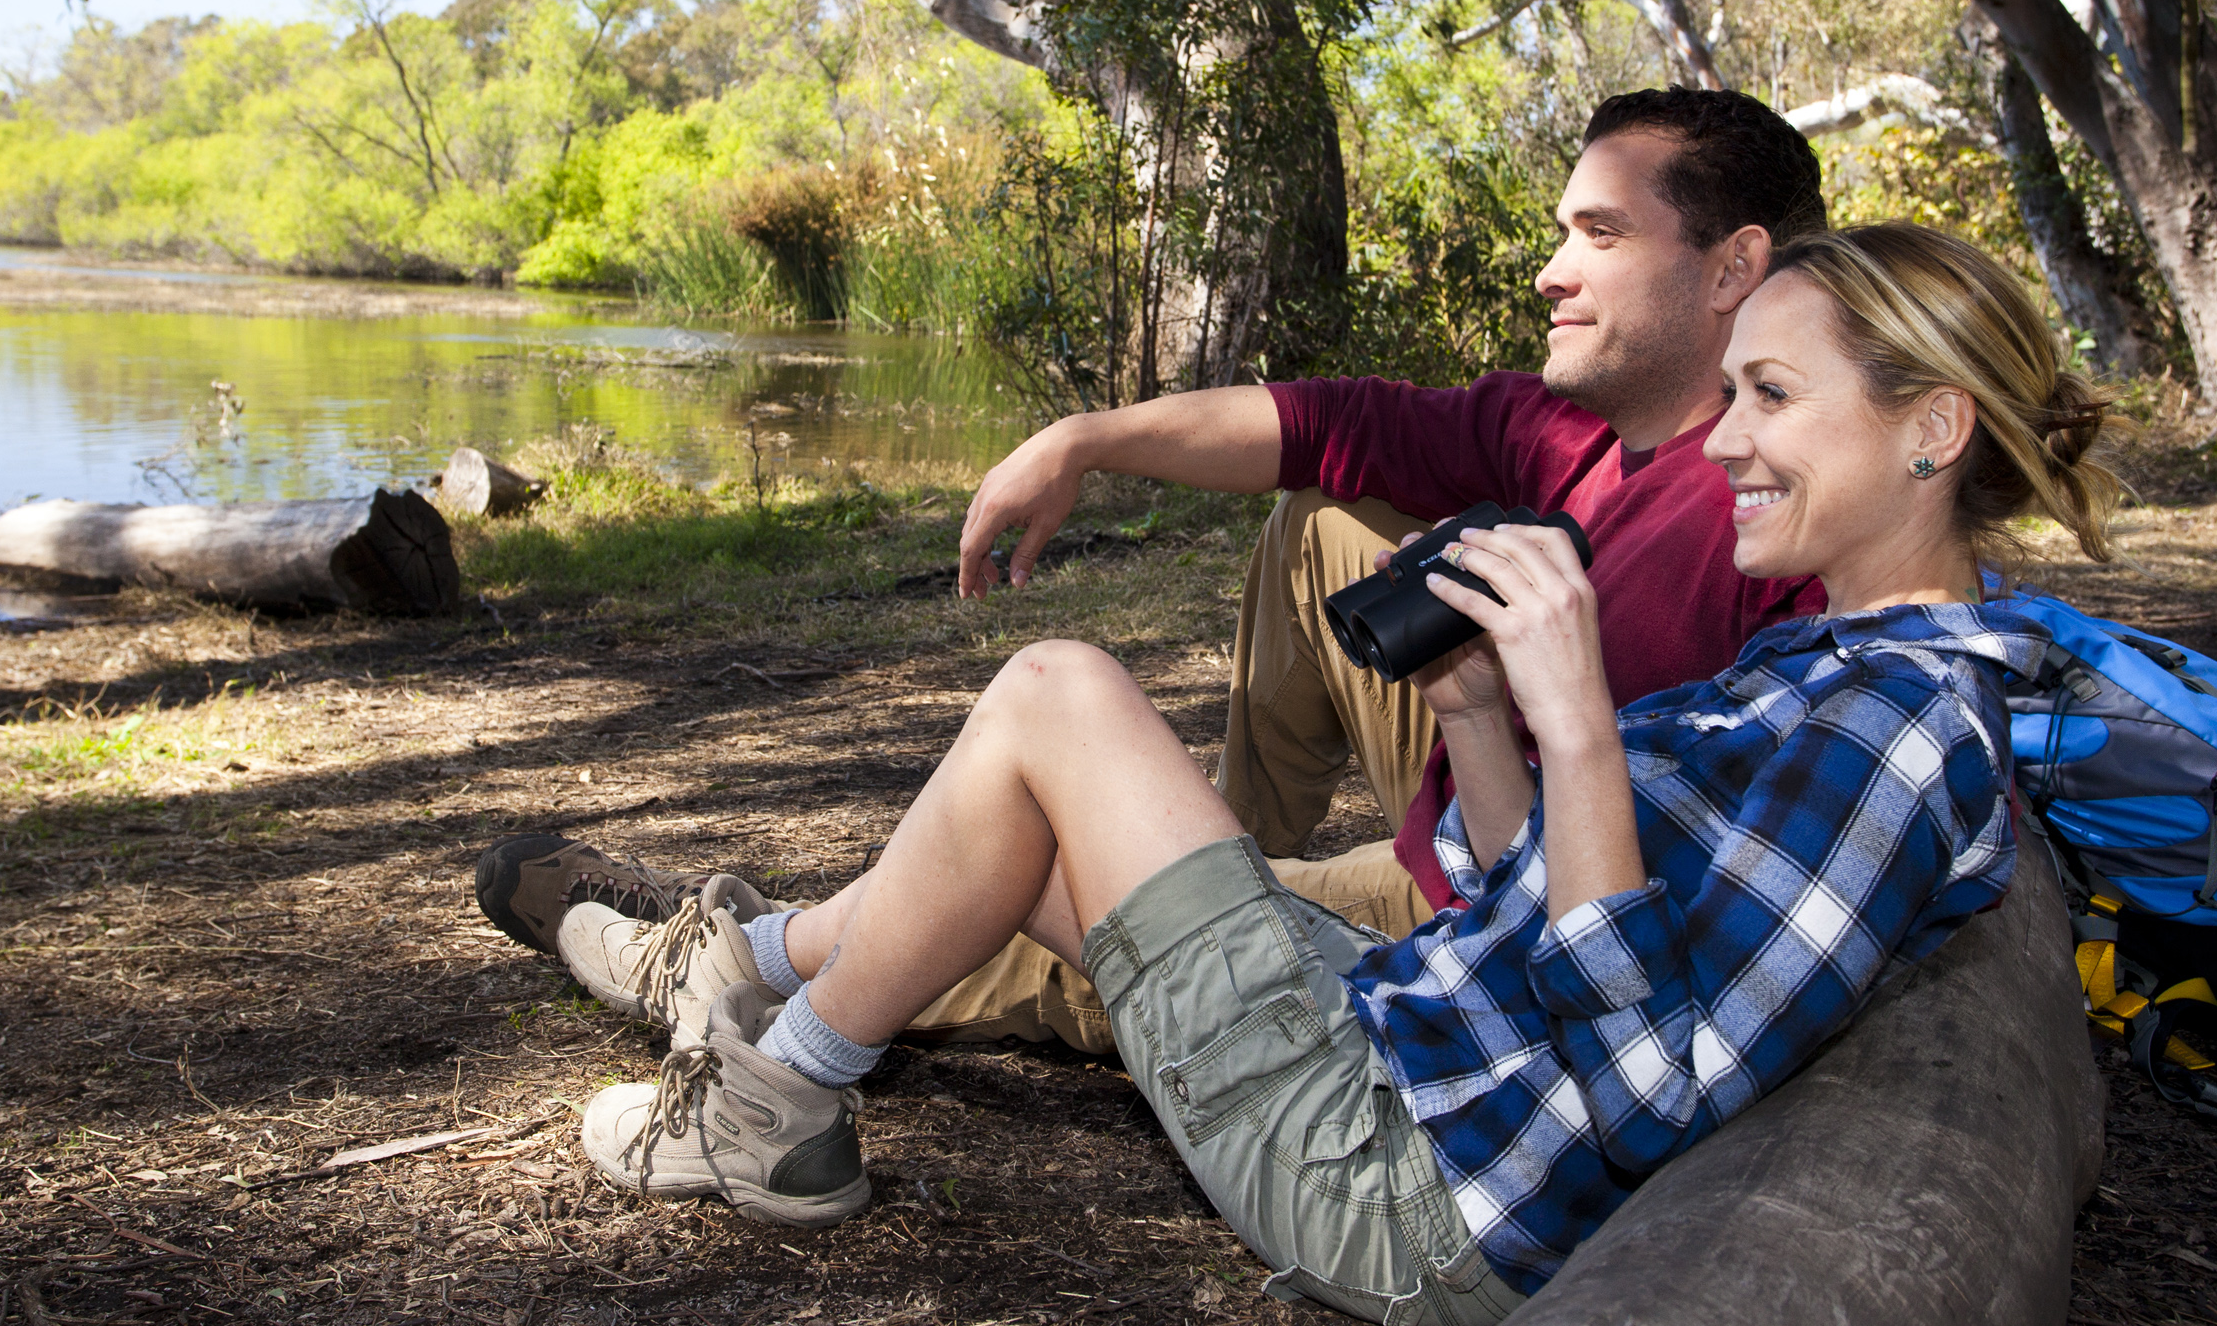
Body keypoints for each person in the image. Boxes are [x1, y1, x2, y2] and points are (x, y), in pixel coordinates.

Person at [570, 222, 2121, 1326]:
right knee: (1026, 827)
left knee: (1057, 694)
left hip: (1415, 1185)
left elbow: (1652, 1094)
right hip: (1427, 1047)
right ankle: (752, 977)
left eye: (1774, 398)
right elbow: (1538, 907)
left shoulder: (1900, 732)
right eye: (1736, 400)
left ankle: (771, 1099)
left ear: (1934, 430)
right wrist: (1481, 714)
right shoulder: (1831, 671)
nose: (1729, 446)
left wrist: (1580, 723)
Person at [476, 86, 1833, 1046]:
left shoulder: (1790, 524)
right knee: (1326, 517)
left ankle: (727, 963)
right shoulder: (1574, 434)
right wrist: (1087, 436)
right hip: (1480, 808)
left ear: (1735, 268)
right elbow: (1328, 422)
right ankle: (1231, 854)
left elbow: (1675, 899)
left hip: (1495, 904)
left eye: (1599, 235)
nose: (1551, 270)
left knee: (1049, 904)